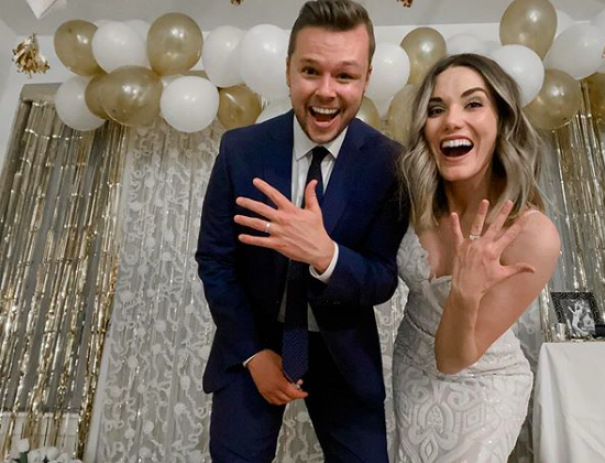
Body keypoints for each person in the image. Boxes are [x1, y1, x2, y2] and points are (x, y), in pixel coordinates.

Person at [195, 1, 407, 461]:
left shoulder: (391, 164)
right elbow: (214, 260)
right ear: (288, 69)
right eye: (310, 71)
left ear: (366, 79)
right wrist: (253, 354)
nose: (326, 91)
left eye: (345, 75)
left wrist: (326, 255)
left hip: (344, 352)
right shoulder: (240, 149)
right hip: (251, 339)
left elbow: (382, 279)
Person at [393, 53, 561, 463]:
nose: (452, 120)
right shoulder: (411, 199)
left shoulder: (532, 235)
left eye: (472, 103)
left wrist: (465, 294)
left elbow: (452, 359)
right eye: (437, 109)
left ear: (502, 121)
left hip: (480, 382)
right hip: (409, 369)